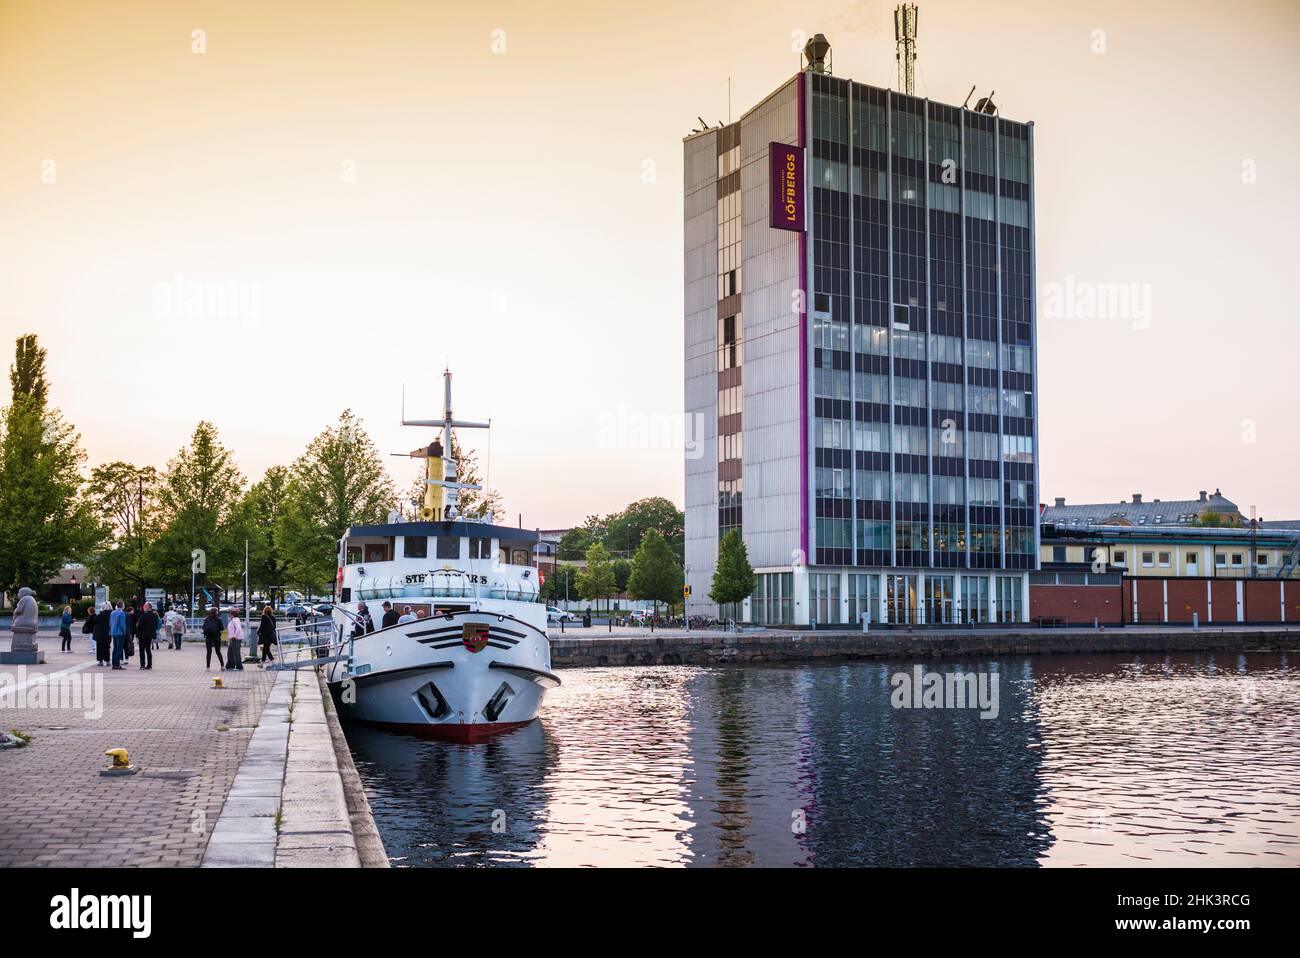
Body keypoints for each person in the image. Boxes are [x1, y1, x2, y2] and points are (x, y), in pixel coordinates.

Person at [136, 602, 158, 670]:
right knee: (148, 650)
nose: (143, 608)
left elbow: (140, 625)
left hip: (142, 635)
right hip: (149, 636)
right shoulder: (154, 616)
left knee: (142, 650)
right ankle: (149, 665)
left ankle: (142, 665)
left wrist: (137, 633)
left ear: (148, 607)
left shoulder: (144, 615)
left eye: (145, 606)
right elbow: (155, 626)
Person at [109, 601, 128, 669]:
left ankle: (114, 664)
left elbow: (110, 623)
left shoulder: (112, 613)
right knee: (119, 649)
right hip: (120, 633)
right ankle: (117, 664)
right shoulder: (122, 613)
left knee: (115, 649)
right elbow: (122, 625)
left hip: (113, 632)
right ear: (122, 606)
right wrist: (124, 632)